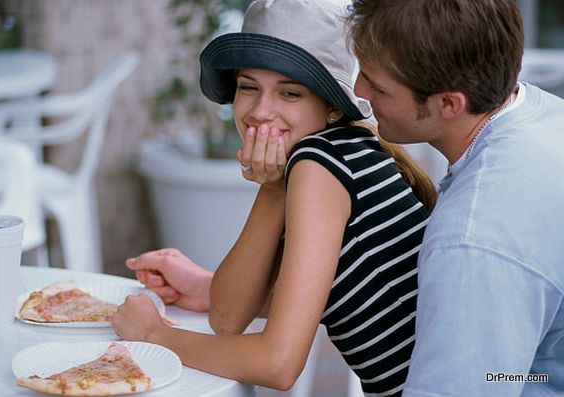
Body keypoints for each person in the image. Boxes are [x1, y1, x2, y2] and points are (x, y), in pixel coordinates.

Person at [113, 0, 436, 395]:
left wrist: (154, 335)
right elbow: (228, 317)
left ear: (332, 105)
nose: (261, 111)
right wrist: (271, 188)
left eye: (290, 93)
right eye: (248, 87)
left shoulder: (321, 164)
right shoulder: (344, 149)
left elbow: (277, 365)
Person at [347, 0, 564, 395]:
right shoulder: (543, 115)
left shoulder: (474, 240)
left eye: (378, 86)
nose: (359, 90)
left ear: (449, 103)